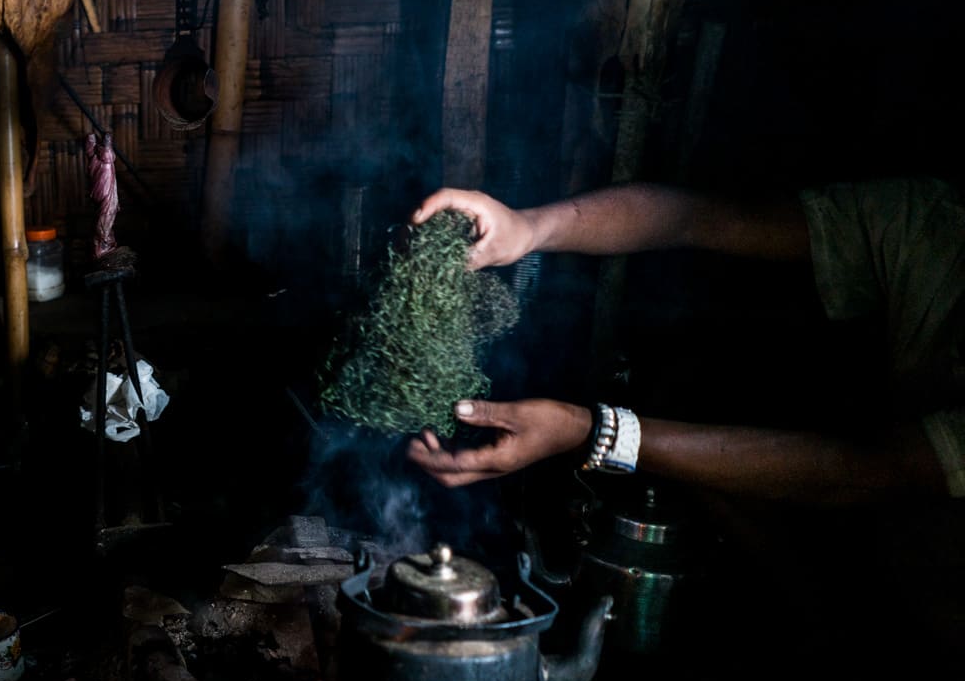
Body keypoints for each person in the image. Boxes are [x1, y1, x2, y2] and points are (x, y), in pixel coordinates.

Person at [403, 180, 962, 505]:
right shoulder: (937, 222)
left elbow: (871, 468)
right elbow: (703, 219)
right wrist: (531, 227)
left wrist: (590, 431)